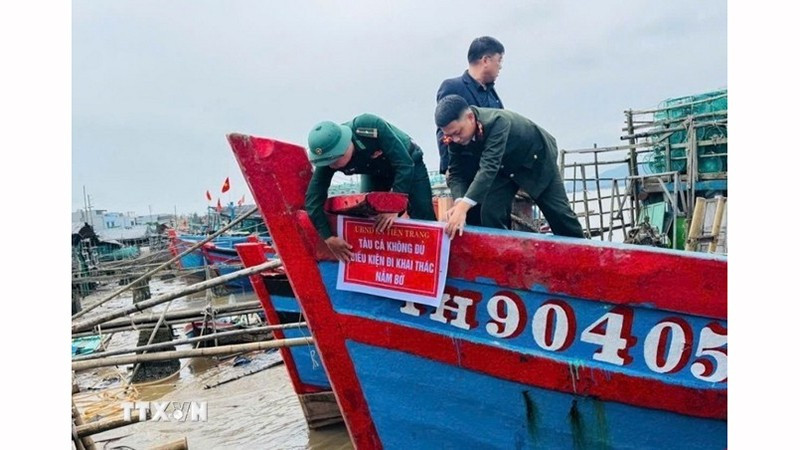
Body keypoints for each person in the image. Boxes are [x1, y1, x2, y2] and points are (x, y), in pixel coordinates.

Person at [434, 95, 584, 239]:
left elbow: (489, 166)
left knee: (560, 214)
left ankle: (585, 255)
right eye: (449, 136)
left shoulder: (498, 122)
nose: (455, 139)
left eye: (457, 133)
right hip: (504, 167)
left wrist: (463, 209)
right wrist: (459, 201)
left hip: (536, 159)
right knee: (490, 212)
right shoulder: (453, 138)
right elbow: (456, 172)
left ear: (470, 117)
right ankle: (502, 255)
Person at [305, 114, 436, 261]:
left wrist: (394, 206)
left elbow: (404, 165)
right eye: (328, 162)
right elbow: (313, 199)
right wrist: (328, 238)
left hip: (408, 161)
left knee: (423, 214)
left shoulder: (367, 126)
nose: (332, 166)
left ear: (346, 145)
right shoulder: (329, 159)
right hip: (375, 172)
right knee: (368, 213)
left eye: (335, 160)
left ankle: (431, 260)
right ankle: (384, 262)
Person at [436, 36, 505, 226]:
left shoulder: (493, 95)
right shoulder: (454, 87)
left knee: (495, 220)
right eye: (499, 61)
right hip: (465, 169)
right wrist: (449, 167)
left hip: (491, 172)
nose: (500, 68)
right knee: (470, 221)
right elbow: (445, 129)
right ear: (486, 60)